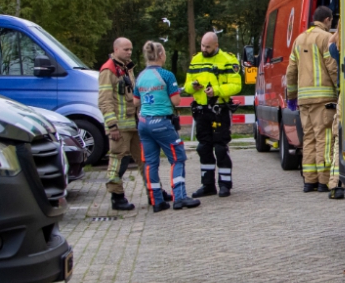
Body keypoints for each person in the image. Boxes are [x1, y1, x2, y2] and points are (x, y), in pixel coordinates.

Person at [134, 41, 200, 212]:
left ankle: (157, 201)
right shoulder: (167, 75)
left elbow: (135, 101)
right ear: (162, 55)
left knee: (150, 163)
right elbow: (176, 100)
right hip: (162, 122)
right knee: (177, 158)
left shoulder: (140, 76)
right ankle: (179, 197)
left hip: (143, 122)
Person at [286, 6, 339, 193]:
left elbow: (291, 71)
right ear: (327, 20)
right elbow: (332, 67)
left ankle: (309, 181)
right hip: (323, 98)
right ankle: (324, 182)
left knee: (308, 139)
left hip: (304, 100)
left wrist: (292, 96)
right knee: (324, 138)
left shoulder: (299, 40)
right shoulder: (325, 38)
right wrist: (340, 89)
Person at [184, 32, 242, 198]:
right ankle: (207, 184)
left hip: (219, 110)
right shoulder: (196, 60)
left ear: (216, 45)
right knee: (204, 148)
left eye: (207, 47)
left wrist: (216, 91)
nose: (204, 49)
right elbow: (187, 85)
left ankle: (225, 184)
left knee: (220, 148)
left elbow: (236, 85)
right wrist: (192, 87)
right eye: (202, 46)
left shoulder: (228, 60)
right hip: (201, 110)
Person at [99, 37, 146, 211]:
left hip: (134, 124)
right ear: (116, 49)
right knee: (117, 162)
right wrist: (112, 126)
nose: (129, 52)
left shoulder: (127, 68)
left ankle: (153, 191)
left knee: (145, 158)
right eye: (126, 49)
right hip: (119, 127)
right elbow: (105, 101)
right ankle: (117, 197)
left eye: (131, 49)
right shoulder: (108, 70)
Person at [327, 26, 345, 200]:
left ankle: (335, 183)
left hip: (344, 96)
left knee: (339, 139)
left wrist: (338, 31)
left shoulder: (337, 48)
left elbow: (330, 42)